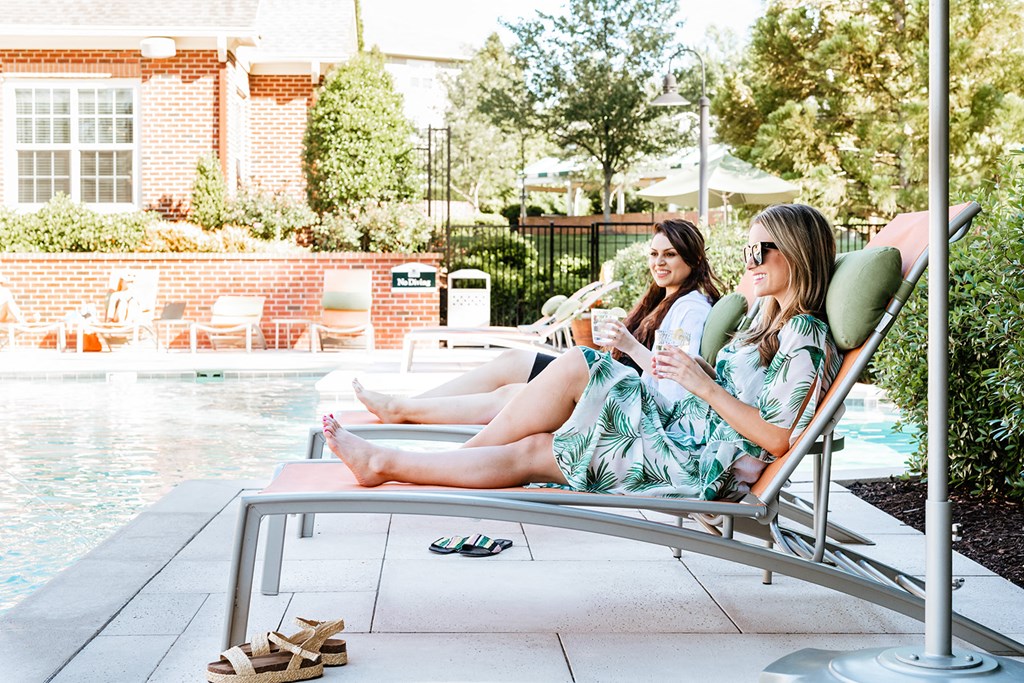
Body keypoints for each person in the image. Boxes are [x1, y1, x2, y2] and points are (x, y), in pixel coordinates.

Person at [323, 204, 843, 501]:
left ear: (796, 252)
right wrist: (700, 374)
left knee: (543, 435)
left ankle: (401, 462)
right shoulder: (766, 317)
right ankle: (412, 461)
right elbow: (733, 393)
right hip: (681, 428)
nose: (749, 260)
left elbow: (778, 437)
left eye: (759, 250)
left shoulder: (806, 337)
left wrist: (700, 383)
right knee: (567, 382)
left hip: (700, 461)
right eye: (747, 249)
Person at [352, 218, 724, 425]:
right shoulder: (666, 298)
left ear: (691, 258)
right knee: (511, 363)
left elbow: (675, 383)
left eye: (670, 255)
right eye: (655, 254)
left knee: (510, 396)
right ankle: (407, 404)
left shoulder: (691, 308)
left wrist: (629, 345)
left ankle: (402, 411)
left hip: (632, 402)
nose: (659, 262)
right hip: (613, 379)